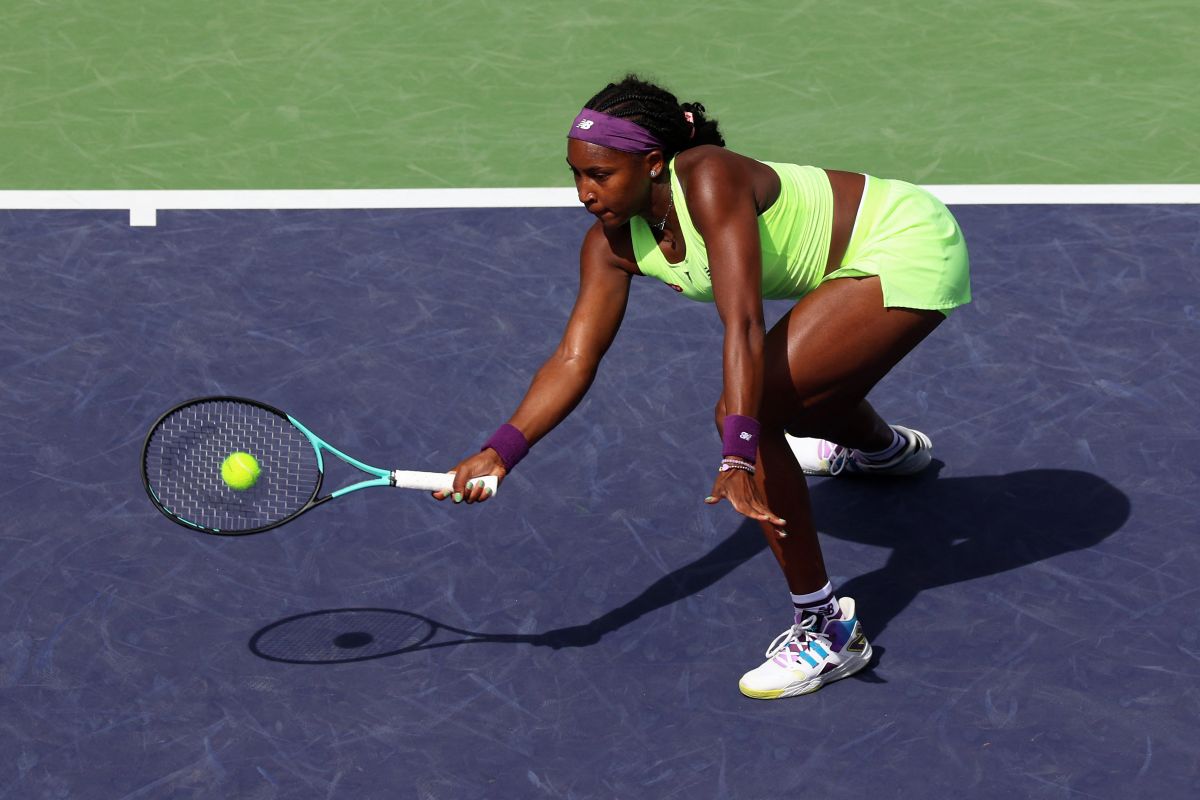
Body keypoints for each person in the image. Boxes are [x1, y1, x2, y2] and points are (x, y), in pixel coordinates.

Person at [435, 74, 971, 699]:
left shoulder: (709, 177)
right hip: (844, 270)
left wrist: (740, 448)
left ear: (653, 164)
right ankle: (886, 453)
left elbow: (743, 322)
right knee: (793, 390)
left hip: (906, 242)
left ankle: (826, 630)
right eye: (576, 174)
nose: (584, 192)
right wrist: (503, 449)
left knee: (754, 409)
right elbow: (573, 358)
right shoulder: (610, 245)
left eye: (600, 175)